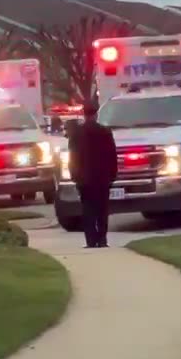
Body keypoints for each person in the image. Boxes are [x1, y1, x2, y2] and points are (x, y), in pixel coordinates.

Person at [70, 100, 118, 248]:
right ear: (96, 114)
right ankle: (102, 239)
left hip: (84, 178)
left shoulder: (77, 134)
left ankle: (90, 240)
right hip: (102, 177)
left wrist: (74, 176)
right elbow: (112, 155)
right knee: (102, 209)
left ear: (84, 114)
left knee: (88, 209)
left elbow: (73, 157)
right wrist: (112, 175)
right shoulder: (105, 132)